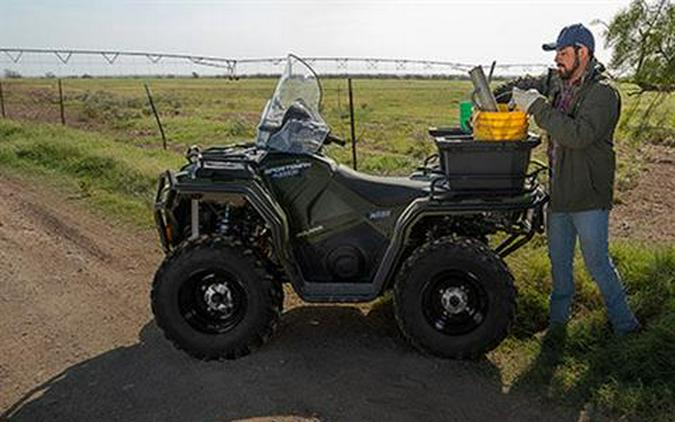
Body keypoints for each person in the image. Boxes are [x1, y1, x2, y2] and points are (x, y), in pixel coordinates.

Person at [505, 23, 640, 335]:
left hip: (589, 195)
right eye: (557, 54)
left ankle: (626, 326)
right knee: (560, 267)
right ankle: (557, 326)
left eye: (563, 53)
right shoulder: (561, 82)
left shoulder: (604, 93)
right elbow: (534, 82)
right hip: (560, 192)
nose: (558, 60)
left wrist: (537, 106)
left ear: (584, 53)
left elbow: (578, 136)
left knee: (598, 265)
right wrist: (507, 92)